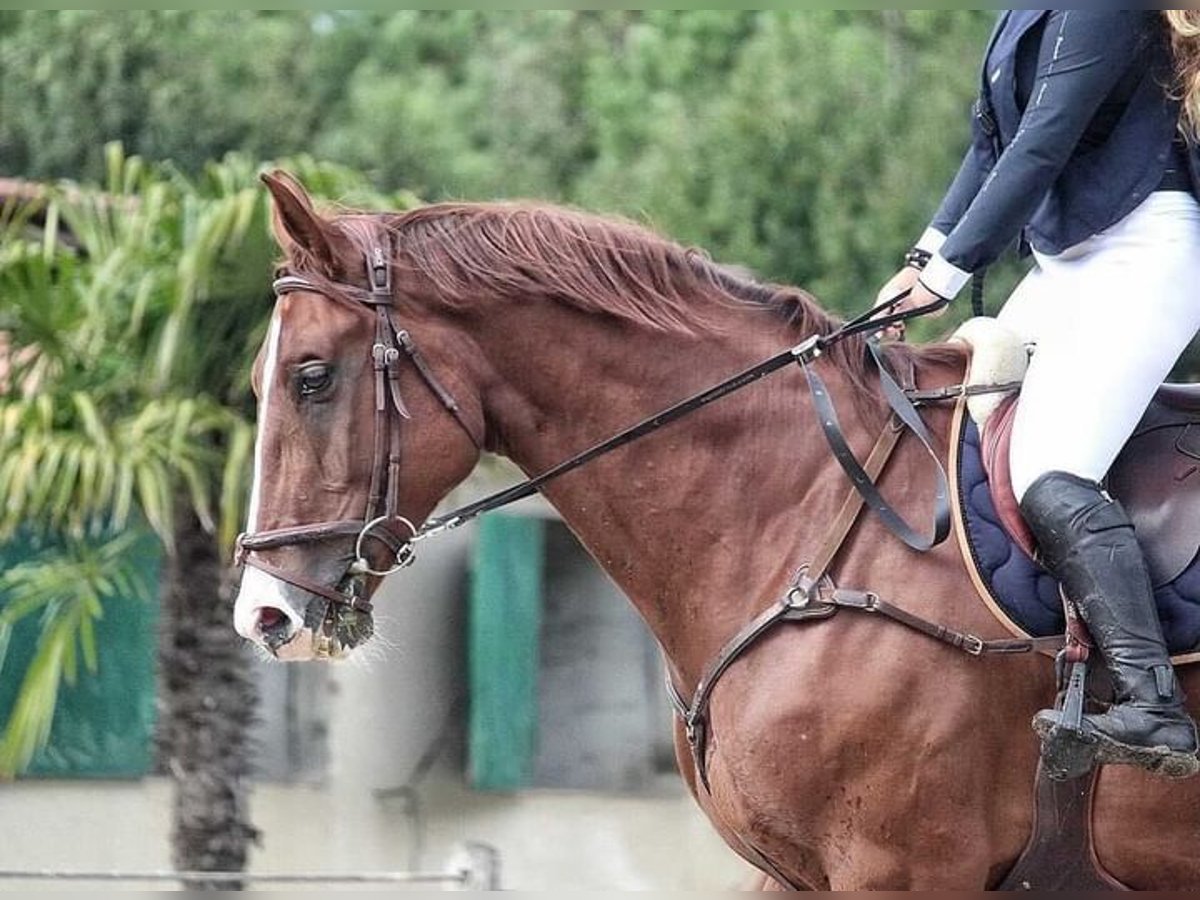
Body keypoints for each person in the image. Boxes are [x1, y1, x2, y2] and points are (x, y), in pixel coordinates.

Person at [878, 10, 1200, 779]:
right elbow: (990, 145)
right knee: (954, 416)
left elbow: (1043, 144)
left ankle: (1154, 704)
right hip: (1068, 259)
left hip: (1145, 251)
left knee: (1050, 469)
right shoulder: (1026, 12)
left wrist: (946, 280)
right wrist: (923, 259)